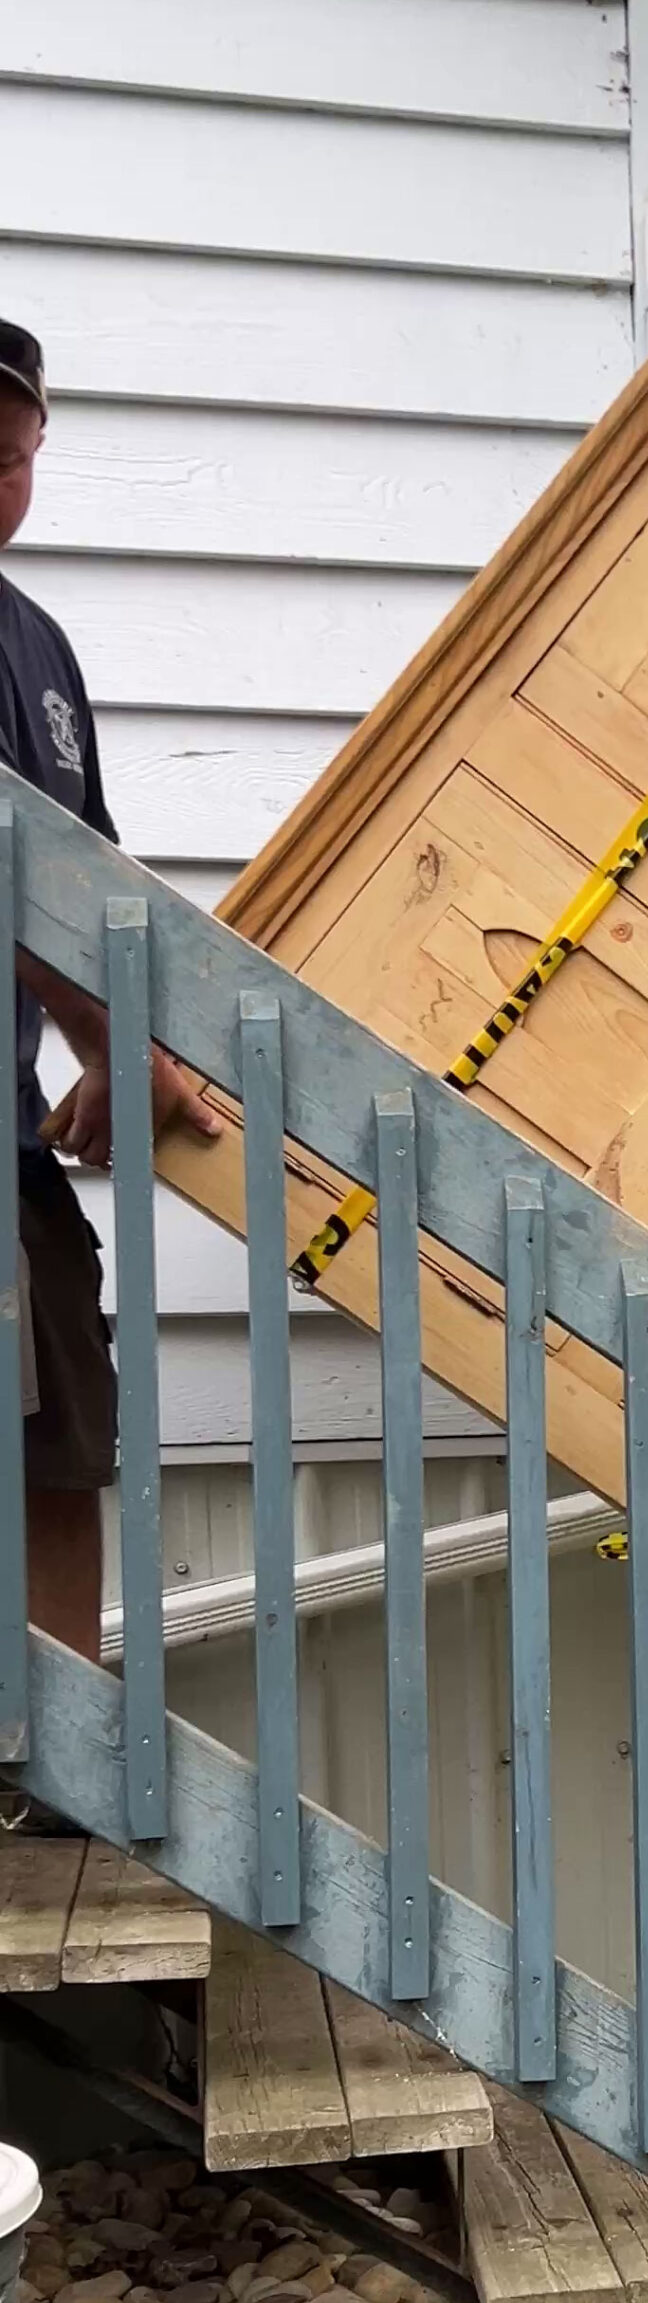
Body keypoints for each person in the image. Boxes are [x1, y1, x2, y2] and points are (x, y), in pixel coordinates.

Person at [0, 318, 219, 1663]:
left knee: (64, 1447)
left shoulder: (39, 647)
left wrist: (125, 1038)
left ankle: (60, 1758)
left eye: (8, 455)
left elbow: (86, 880)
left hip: (11, 1138)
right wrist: (112, 1040)